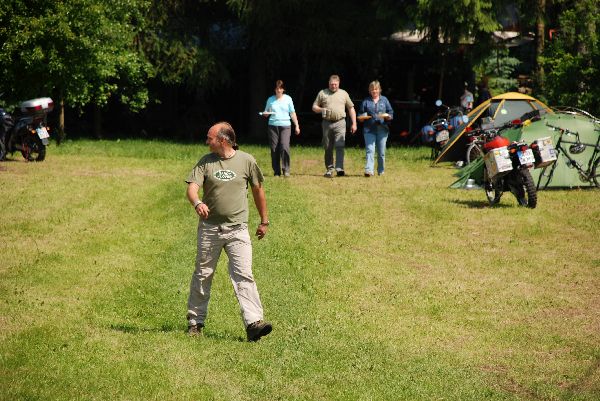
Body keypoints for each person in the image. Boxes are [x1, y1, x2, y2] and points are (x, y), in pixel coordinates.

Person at [185, 122, 272, 342]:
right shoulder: (206, 162)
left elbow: (258, 191)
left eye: (210, 138)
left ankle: (253, 324)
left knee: (244, 275)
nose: (207, 141)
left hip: (238, 230)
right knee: (203, 275)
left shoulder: (247, 161)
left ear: (223, 140)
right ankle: (195, 322)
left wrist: (264, 221)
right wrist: (197, 203)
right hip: (210, 229)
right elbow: (192, 188)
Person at [312, 74, 357, 177]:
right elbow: (314, 107)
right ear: (329, 83)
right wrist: (321, 109)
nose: (333, 86)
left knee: (340, 145)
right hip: (327, 123)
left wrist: (354, 123)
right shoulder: (322, 93)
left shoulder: (343, 93)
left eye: (335, 84)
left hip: (340, 122)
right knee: (328, 147)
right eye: (332, 84)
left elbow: (351, 108)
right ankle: (329, 169)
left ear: (338, 84)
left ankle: (340, 168)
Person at [261, 80, 300, 177]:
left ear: (283, 89)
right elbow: (266, 112)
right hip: (273, 126)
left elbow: (292, 113)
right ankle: (276, 172)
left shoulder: (288, 99)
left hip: (286, 126)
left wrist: (297, 125)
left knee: (284, 146)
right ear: (275, 89)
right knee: (274, 148)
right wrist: (265, 114)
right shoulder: (270, 99)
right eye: (277, 88)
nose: (278, 90)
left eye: (280, 88)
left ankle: (286, 170)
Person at [358, 80, 394, 176]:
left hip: (382, 129)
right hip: (369, 129)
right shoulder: (366, 101)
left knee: (381, 152)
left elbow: (390, 112)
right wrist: (361, 118)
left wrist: (388, 116)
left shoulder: (384, 100)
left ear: (379, 90)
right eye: (372, 89)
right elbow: (360, 114)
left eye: (376, 89)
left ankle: (381, 171)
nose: (374, 91)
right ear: (369, 90)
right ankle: (369, 170)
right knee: (370, 150)